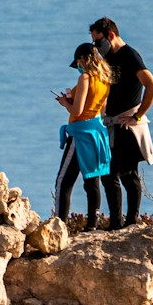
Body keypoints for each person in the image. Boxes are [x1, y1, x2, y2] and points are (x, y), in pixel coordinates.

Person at [90, 17, 153, 230]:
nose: (97, 47)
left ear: (111, 35)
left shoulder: (130, 56)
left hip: (127, 125)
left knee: (119, 174)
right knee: (122, 174)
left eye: (98, 41)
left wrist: (137, 116)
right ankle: (124, 223)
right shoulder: (107, 59)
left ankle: (123, 223)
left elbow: (152, 87)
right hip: (111, 123)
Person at [53, 41, 114, 230]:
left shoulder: (85, 79)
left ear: (83, 60)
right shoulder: (105, 79)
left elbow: (78, 111)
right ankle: (92, 224)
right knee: (92, 179)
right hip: (96, 132)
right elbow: (102, 110)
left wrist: (65, 103)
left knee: (63, 182)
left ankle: (59, 226)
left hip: (79, 134)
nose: (78, 67)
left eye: (78, 62)